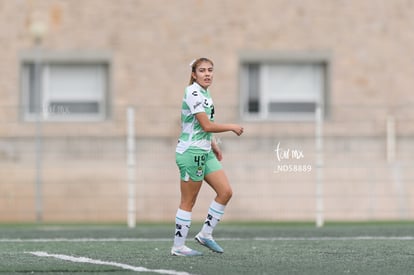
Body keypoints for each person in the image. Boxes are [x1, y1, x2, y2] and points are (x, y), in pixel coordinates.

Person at [171, 57, 244, 256]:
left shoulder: (205, 92)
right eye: (202, 70)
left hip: (204, 151)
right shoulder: (193, 92)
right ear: (194, 74)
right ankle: (178, 247)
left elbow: (202, 127)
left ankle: (205, 234)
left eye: (210, 70)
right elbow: (206, 125)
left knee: (225, 192)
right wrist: (232, 127)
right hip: (190, 152)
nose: (207, 74)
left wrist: (213, 145)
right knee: (189, 201)